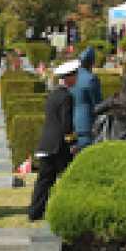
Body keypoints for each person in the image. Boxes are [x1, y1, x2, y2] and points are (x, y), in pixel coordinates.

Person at [29, 60, 79, 221]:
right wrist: (72, 142)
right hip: (58, 146)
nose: (76, 78)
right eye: (75, 75)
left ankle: (35, 212)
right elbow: (66, 124)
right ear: (68, 78)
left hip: (47, 142)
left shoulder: (53, 94)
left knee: (44, 180)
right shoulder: (66, 96)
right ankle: (67, 211)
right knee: (68, 178)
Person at [70, 45, 102, 150]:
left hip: (72, 122)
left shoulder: (72, 77)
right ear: (91, 62)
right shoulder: (91, 79)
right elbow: (98, 104)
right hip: (87, 125)